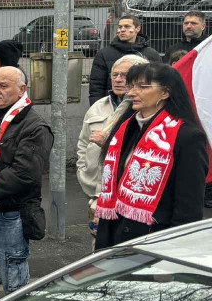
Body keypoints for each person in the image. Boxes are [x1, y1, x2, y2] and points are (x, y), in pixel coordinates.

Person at [95, 63, 209, 249]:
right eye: (131, 86)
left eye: (143, 86)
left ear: (165, 92)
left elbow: (188, 209)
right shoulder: (125, 130)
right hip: (113, 235)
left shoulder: (186, 136)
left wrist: (172, 256)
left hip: (153, 242)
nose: (132, 92)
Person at [0, 66, 53, 301]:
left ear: (22, 90)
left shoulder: (35, 126)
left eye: (3, 86)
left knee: (14, 284)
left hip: (9, 214)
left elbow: (23, 175)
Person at [76, 54, 147, 234]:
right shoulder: (98, 106)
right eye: (114, 74)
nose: (117, 79)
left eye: (124, 75)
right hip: (94, 192)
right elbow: (83, 144)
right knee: (98, 249)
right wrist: (83, 172)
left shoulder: (145, 111)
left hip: (127, 199)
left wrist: (108, 143)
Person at [89, 14, 162, 104]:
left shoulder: (151, 54)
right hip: (112, 106)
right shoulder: (104, 54)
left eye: (127, 26)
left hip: (143, 105)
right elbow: (96, 87)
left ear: (137, 29)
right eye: (120, 27)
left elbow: (158, 83)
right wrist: (97, 109)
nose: (122, 30)